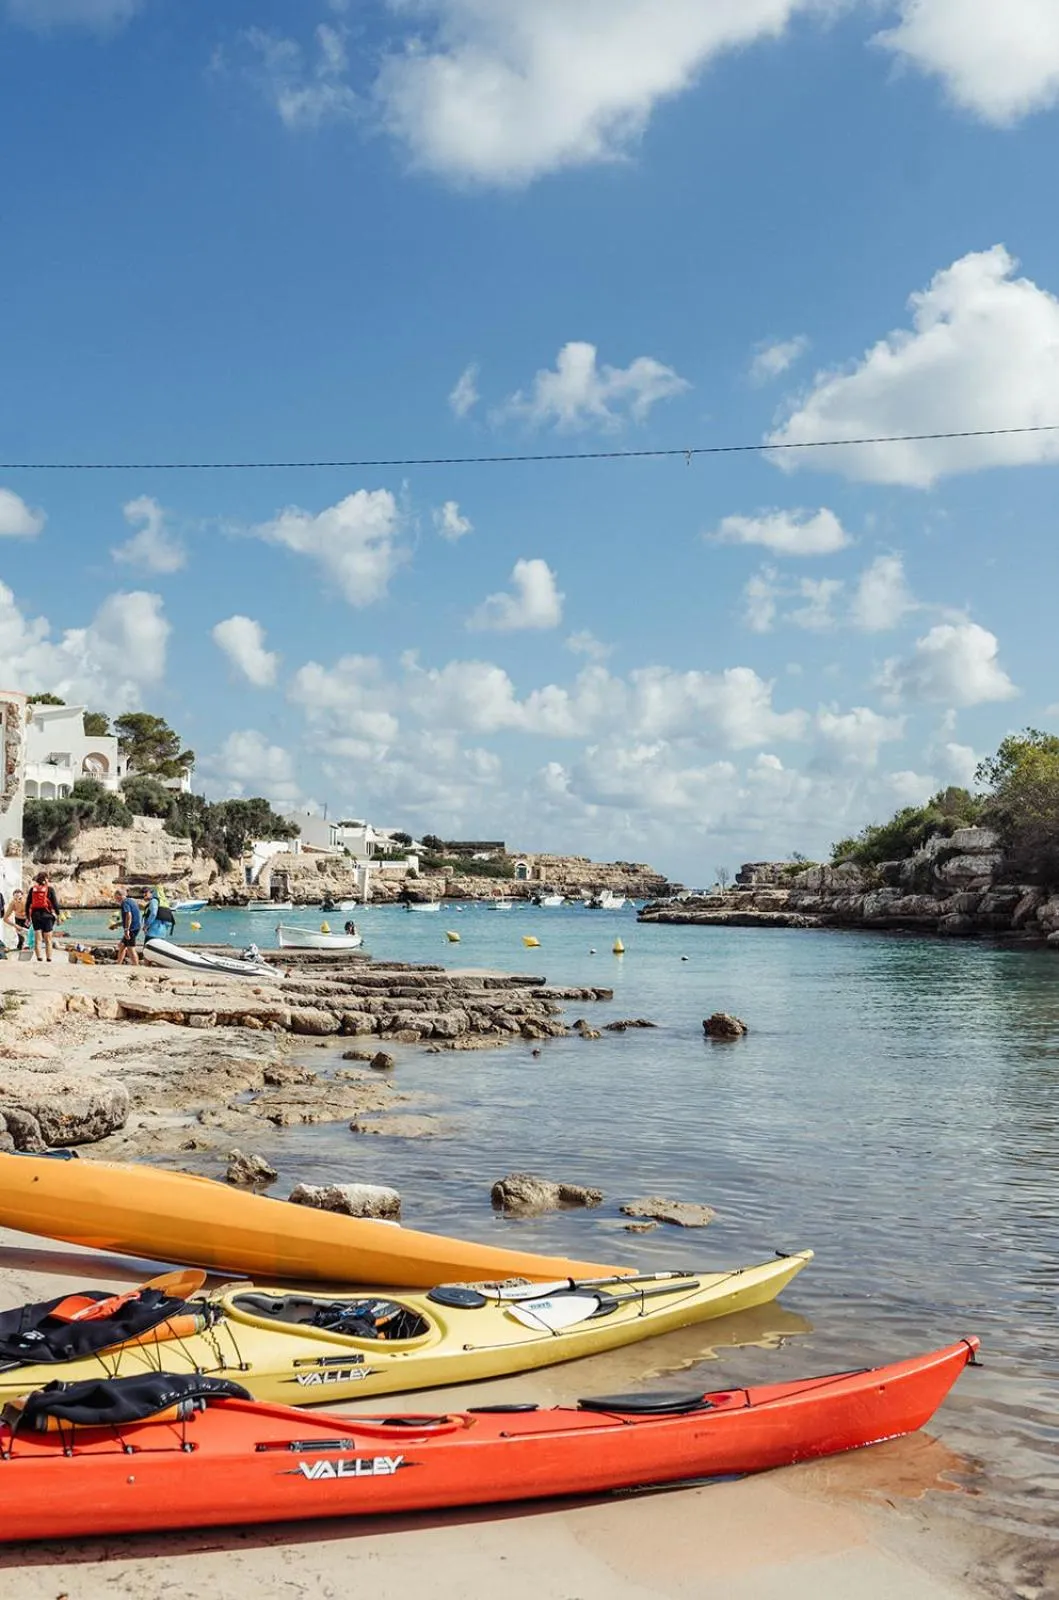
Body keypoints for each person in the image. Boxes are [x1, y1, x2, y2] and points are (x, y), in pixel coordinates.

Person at [27, 872, 60, 963]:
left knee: (38, 939)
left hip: (35, 915)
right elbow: (55, 904)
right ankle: (49, 958)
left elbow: (28, 904)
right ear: (46, 879)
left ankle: (39, 958)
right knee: (48, 939)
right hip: (47, 916)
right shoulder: (50, 889)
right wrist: (58, 915)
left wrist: (27, 916)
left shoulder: (32, 890)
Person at [114, 886, 141, 966]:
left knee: (130, 948)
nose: (115, 899)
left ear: (119, 896)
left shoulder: (125, 903)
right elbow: (128, 918)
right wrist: (117, 924)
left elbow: (129, 915)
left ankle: (136, 966)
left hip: (131, 929)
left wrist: (126, 930)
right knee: (122, 945)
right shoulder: (131, 901)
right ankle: (118, 964)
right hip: (135, 926)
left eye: (115, 897)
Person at [3, 888, 28, 954]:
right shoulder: (13, 903)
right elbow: (5, 918)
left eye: (19, 898)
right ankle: (20, 945)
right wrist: (15, 925)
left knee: (29, 935)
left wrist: (29, 919)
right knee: (20, 935)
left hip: (28, 918)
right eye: (15, 898)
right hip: (18, 919)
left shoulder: (27, 900)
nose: (17, 900)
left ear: (23, 896)